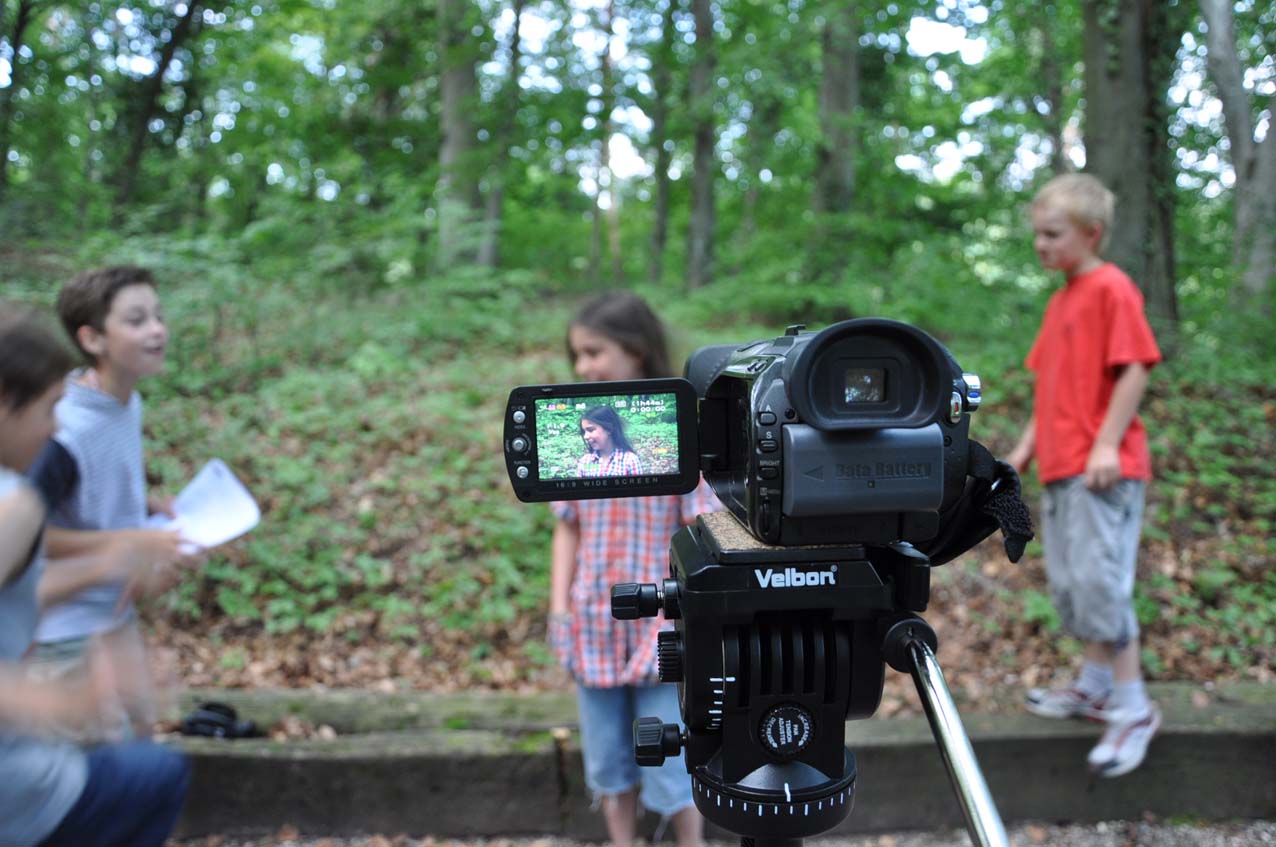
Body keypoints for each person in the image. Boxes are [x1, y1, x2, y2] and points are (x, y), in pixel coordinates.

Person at [0, 303, 190, 847]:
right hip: (23, 797)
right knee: (156, 775)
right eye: (47, 408)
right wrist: (54, 702)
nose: (55, 427)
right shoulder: (15, 504)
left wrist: (104, 566)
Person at [1005, 173, 1163, 778]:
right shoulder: (1061, 300)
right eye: (1037, 234)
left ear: (1091, 233)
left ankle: (1134, 708)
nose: (1040, 244)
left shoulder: (1110, 288)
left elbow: (1135, 369)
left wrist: (1105, 444)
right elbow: (1051, 386)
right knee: (1074, 584)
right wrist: (1025, 449)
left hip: (1102, 470)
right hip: (1064, 467)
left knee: (1101, 584)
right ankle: (1096, 686)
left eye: (1053, 234)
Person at [550, 292, 719, 847]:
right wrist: (558, 610)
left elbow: (702, 529)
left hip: (662, 624)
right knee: (606, 756)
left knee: (673, 754)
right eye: (577, 355)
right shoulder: (580, 442)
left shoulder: (671, 434)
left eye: (594, 351)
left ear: (636, 349)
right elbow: (567, 527)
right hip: (593, 621)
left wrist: (690, 613)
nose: (583, 366)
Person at [26, 265, 190, 739]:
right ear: (92, 338)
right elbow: (25, 533)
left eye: (158, 316)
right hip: (64, 633)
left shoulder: (125, 403)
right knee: (99, 767)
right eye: (137, 320)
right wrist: (131, 540)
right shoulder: (65, 429)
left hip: (116, 614)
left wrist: (148, 508)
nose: (157, 330)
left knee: (142, 740)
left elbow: (91, 493)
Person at [576, 405, 644, 477]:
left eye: (591, 430)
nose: (586, 436)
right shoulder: (585, 462)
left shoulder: (629, 461)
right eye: (584, 432)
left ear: (609, 429)